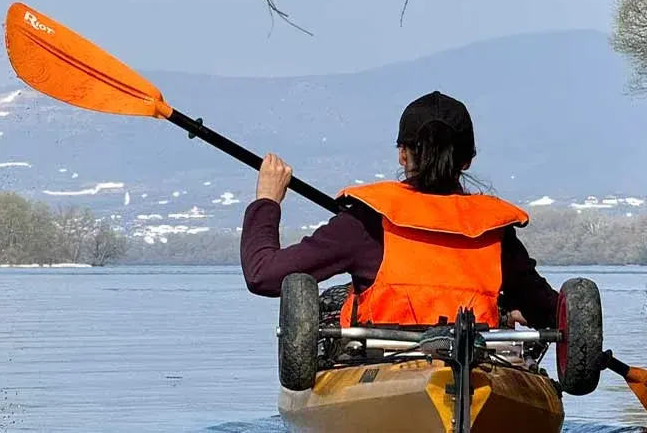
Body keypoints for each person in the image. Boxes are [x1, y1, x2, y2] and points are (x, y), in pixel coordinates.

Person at [239, 90, 561, 330]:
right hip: (476, 368)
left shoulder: (366, 221)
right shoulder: (494, 230)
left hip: (383, 369)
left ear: (403, 156)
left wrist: (267, 202)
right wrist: (511, 310)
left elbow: (263, 275)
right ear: (466, 161)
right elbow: (553, 313)